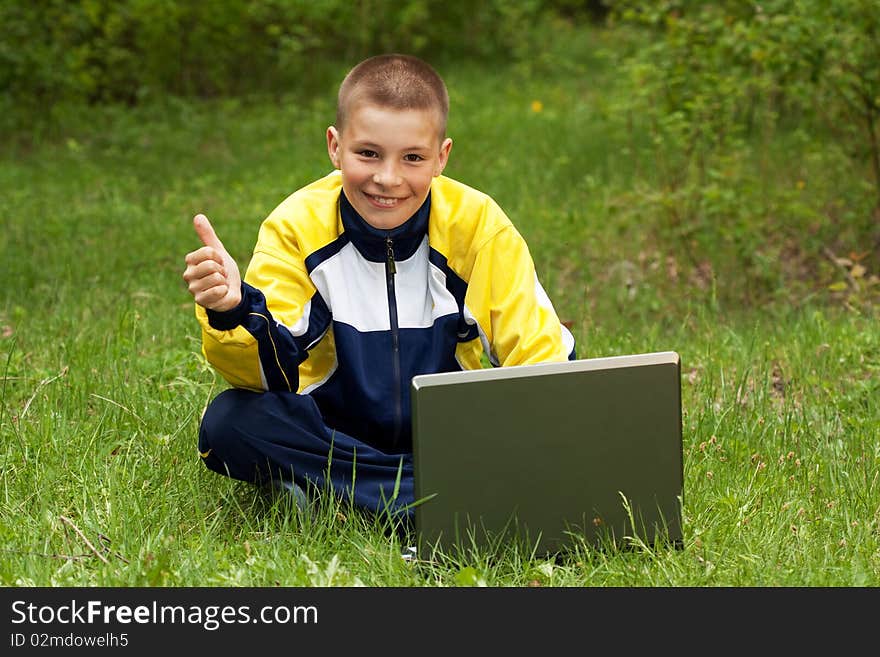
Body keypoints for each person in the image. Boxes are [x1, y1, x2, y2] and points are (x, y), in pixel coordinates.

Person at [182, 53, 576, 523]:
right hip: (335, 433)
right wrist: (232, 310)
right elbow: (270, 378)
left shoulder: (480, 227)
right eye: (367, 153)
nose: (387, 179)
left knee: (550, 423)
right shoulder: (296, 226)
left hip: (453, 437)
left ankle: (338, 497)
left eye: (413, 158)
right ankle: (448, 501)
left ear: (441, 157)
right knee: (229, 425)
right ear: (335, 146)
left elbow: (543, 364)